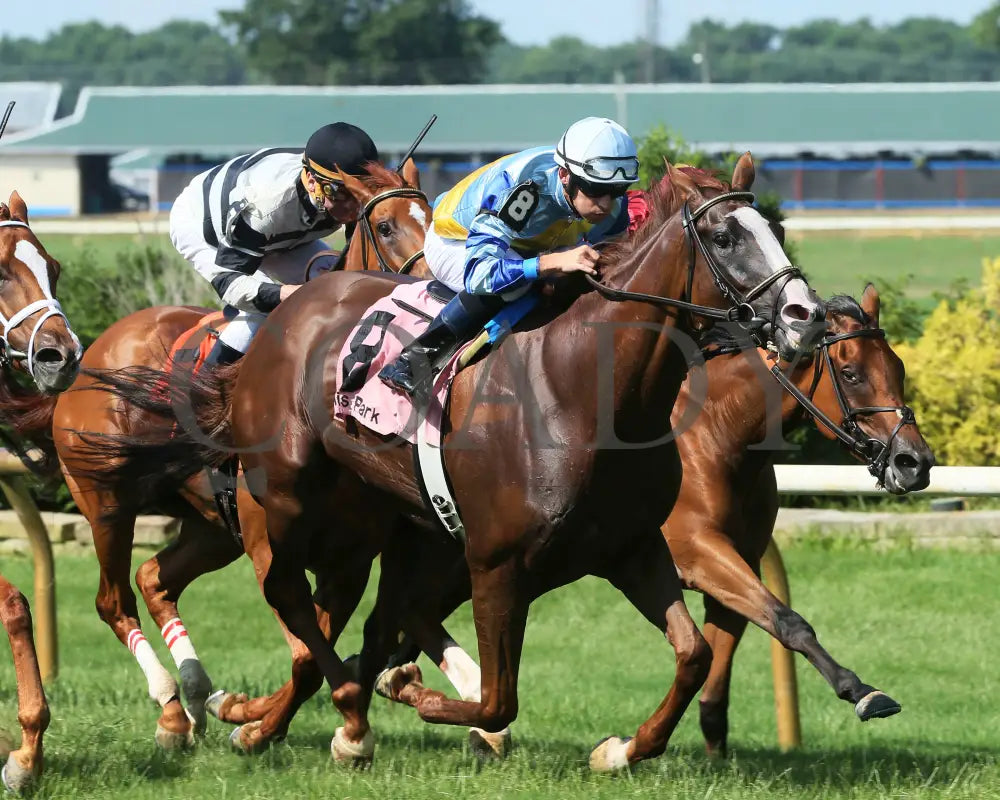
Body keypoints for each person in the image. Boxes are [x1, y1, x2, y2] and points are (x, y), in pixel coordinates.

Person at [378, 116, 639, 396]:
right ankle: (414, 361)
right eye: (596, 189)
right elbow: (481, 275)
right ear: (565, 175)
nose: (606, 203)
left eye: (617, 191)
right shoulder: (524, 190)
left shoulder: (608, 197)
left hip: (522, 243)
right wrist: (550, 263)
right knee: (520, 286)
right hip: (456, 240)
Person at [169, 122, 379, 365]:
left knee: (334, 282)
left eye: (362, 192)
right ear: (312, 181)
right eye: (340, 193)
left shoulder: (338, 196)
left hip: (282, 231)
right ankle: (204, 391)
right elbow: (230, 283)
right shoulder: (268, 207)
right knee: (260, 311)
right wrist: (286, 293)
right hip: (204, 225)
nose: (353, 206)